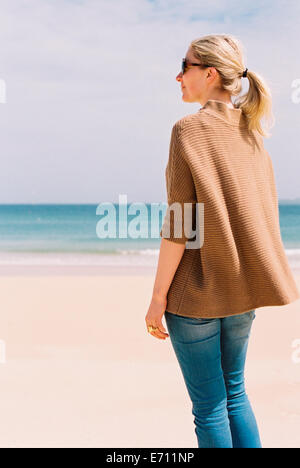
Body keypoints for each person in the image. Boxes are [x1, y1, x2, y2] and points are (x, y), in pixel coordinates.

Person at [145, 34, 300, 448]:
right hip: (242, 294)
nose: (178, 76)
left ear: (209, 73)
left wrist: (158, 297)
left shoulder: (187, 131)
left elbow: (179, 223)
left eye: (185, 66)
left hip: (198, 297)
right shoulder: (254, 135)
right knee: (236, 395)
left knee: (210, 407)